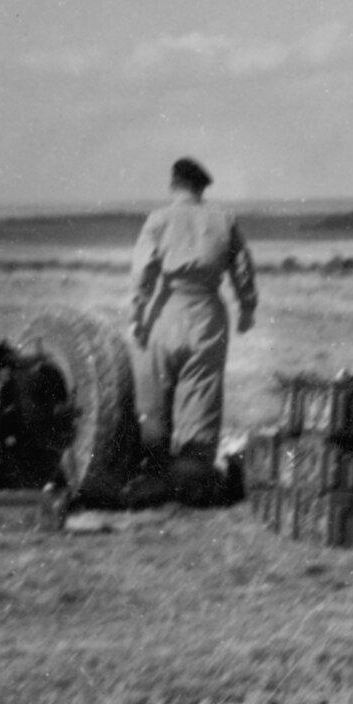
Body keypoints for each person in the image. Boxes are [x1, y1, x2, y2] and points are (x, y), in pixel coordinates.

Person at [129, 157, 257, 504]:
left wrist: (137, 314)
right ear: (202, 188)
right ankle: (192, 487)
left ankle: (153, 480)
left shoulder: (159, 219)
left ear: (173, 185)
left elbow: (143, 272)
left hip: (164, 312)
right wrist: (247, 308)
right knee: (200, 400)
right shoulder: (223, 218)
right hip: (207, 316)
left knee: (153, 401)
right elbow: (243, 271)